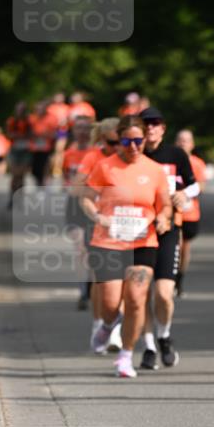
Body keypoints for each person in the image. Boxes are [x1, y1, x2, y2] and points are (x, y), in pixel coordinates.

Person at [79, 115, 172, 378]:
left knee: (136, 300)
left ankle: (126, 355)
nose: (133, 146)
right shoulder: (105, 167)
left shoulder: (154, 170)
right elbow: (86, 198)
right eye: (127, 141)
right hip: (108, 242)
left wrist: (164, 218)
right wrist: (98, 216)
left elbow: (164, 204)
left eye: (138, 141)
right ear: (119, 140)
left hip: (143, 242)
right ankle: (107, 326)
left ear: (145, 140)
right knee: (110, 304)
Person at [138, 106, 199, 370]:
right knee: (140, 292)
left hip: (168, 229)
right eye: (145, 123)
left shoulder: (175, 154)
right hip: (137, 231)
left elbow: (193, 183)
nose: (150, 127)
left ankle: (164, 335)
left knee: (163, 294)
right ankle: (149, 345)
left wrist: (186, 195)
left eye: (155, 123)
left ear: (163, 128)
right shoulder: (133, 154)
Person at [75, 118, 122, 349]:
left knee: (122, 276)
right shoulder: (92, 158)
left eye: (120, 141)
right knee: (99, 277)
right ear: (103, 140)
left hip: (124, 222)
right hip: (96, 221)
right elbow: (77, 189)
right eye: (113, 142)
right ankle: (98, 323)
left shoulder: (128, 157)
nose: (118, 146)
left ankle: (115, 329)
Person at [62, 117, 96, 310]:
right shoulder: (69, 154)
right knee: (80, 247)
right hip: (74, 205)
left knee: (92, 250)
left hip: (92, 203)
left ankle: (90, 284)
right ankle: (83, 290)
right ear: (74, 132)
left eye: (86, 128)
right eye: (79, 128)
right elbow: (66, 177)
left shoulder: (97, 154)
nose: (82, 132)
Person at [174, 129, 207, 296]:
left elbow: (202, 186)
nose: (182, 143)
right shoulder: (171, 162)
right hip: (173, 212)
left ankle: (179, 279)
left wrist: (186, 193)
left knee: (184, 249)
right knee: (176, 245)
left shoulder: (197, 163)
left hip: (190, 213)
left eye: (186, 140)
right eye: (180, 140)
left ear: (192, 144)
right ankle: (171, 279)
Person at [6, 102, 32, 201]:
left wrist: (19, 135)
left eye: (22, 110)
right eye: (18, 110)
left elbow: (31, 135)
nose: (20, 112)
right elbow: (9, 135)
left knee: (21, 176)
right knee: (15, 175)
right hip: (14, 151)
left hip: (25, 151)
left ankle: (20, 197)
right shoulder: (12, 121)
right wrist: (19, 136)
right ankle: (12, 196)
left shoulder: (28, 122)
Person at [28, 100, 59, 186]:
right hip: (34, 147)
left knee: (44, 166)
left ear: (45, 109)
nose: (39, 111)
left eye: (41, 109)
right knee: (35, 169)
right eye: (37, 109)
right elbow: (27, 132)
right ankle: (39, 181)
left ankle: (44, 183)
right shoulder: (31, 118)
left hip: (47, 147)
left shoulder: (52, 118)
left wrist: (46, 135)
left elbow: (56, 133)